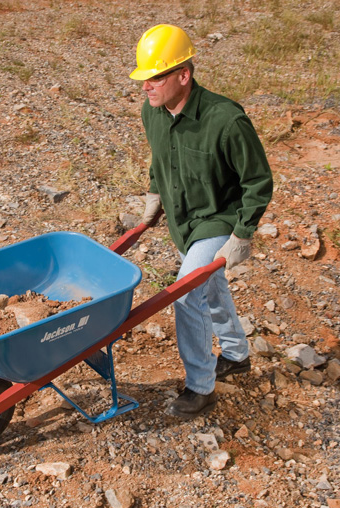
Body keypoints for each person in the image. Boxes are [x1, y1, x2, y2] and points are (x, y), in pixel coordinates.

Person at [130, 24, 273, 419]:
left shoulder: (226, 120)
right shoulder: (153, 111)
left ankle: (201, 386)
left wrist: (242, 233)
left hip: (218, 219)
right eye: (143, 78)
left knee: (187, 292)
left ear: (183, 75)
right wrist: (154, 195)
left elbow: (258, 181)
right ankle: (237, 353)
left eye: (155, 77)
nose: (147, 86)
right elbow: (160, 160)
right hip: (182, 222)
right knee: (211, 287)